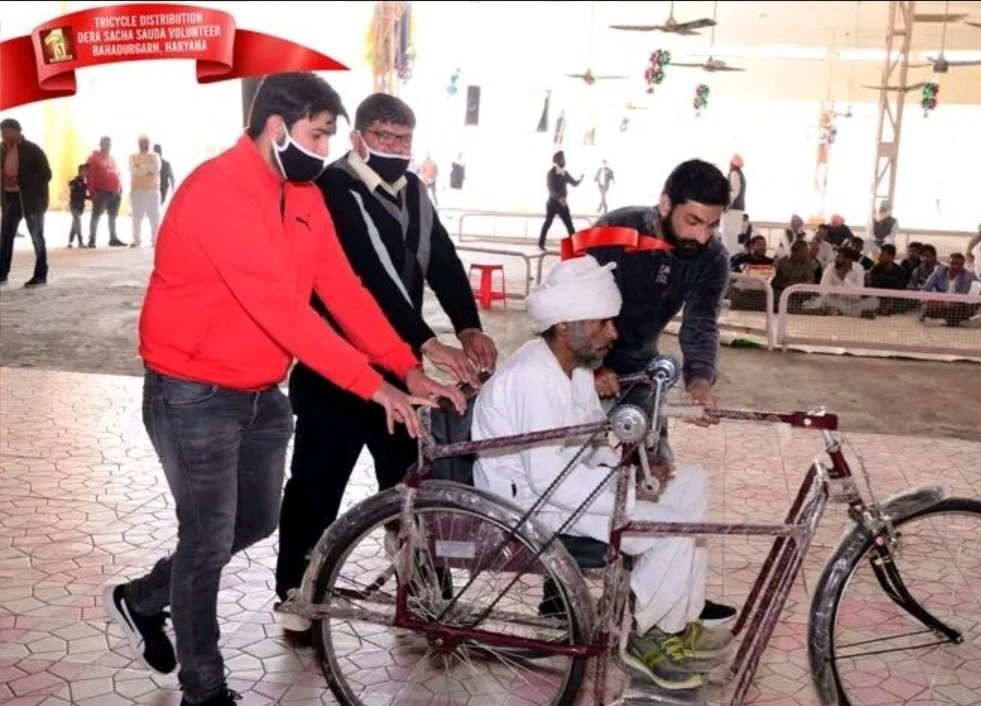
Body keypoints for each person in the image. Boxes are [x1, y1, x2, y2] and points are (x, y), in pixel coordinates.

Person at [101, 73, 462, 706]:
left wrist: (403, 366)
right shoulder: (219, 191)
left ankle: (142, 598)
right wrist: (371, 387)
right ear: (276, 127)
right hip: (191, 391)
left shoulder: (301, 193)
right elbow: (283, 310)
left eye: (328, 135)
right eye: (318, 134)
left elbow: (342, 289)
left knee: (257, 521)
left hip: (261, 392)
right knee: (208, 538)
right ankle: (204, 688)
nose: (325, 149)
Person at [274, 93, 499, 641]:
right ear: (358, 140)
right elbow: (369, 280)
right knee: (315, 487)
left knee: (411, 485)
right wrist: (425, 341)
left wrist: (467, 324)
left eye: (403, 140)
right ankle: (297, 593)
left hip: (398, 376)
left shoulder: (414, 191)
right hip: (334, 371)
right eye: (383, 138)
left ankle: (424, 595)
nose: (395, 150)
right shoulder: (330, 191)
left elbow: (440, 259)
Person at [472, 256, 732, 691]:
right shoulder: (534, 376)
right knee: (670, 525)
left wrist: (639, 473)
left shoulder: (571, 368)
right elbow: (547, 478)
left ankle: (677, 621)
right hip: (526, 505)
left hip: (561, 488)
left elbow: (592, 447)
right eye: (602, 323)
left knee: (691, 483)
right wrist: (629, 491)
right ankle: (648, 639)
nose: (613, 333)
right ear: (563, 325)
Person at [587, 160, 731, 433]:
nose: (702, 237)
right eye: (693, 221)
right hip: (579, 362)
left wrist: (699, 382)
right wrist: (588, 369)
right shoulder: (613, 230)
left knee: (655, 465)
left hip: (640, 369)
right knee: (574, 461)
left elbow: (701, 323)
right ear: (666, 205)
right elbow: (571, 311)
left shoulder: (713, 259)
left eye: (712, 225)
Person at [0, 118, 52, 287]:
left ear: (18, 131)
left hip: (31, 199)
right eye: (2, 132)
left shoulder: (32, 150)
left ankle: (40, 274)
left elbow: (46, 174)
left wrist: (21, 178)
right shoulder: (2, 150)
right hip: (11, 198)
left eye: (7, 131)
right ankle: (2, 273)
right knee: (6, 236)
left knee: (37, 236)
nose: (4, 135)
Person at [537, 150, 583, 250]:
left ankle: (576, 246)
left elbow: (573, 183)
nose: (564, 161)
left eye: (564, 159)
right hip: (552, 203)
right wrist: (559, 198)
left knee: (569, 225)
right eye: (562, 159)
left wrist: (580, 179)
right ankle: (541, 243)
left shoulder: (564, 173)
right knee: (548, 223)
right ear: (557, 161)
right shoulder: (551, 173)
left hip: (562, 203)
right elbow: (550, 189)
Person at [87, 136, 125, 247]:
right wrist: (92, 191)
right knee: (96, 216)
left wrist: (120, 188)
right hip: (101, 192)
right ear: (101, 144)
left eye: (109, 144)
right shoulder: (94, 158)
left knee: (112, 216)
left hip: (115, 192)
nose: (108, 146)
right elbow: (91, 175)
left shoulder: (112, 159)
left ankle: (113, 238)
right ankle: (92, 239)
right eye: (106, 143)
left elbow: (117, 173)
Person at [129, 134, 162, 247]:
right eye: (142, 142)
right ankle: (136, 240)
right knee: (136, 216)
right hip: (137, 190)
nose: (144, 145)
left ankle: (155, 240)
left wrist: (141, 167)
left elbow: (156, 168)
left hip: (152, 190)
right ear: (138, 144)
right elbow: (134, 171)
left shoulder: (155, 156)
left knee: (154, 216)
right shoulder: (132, 157)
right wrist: (148, 170)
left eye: (146, 142)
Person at [721, 153, 746, 255]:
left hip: (732, 210)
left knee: (728, 237)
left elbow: (734, 191)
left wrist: (726, 205)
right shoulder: (740, 174)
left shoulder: (734, 174)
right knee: (731, 238)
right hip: (736, 211)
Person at [68, 163, 89, 248]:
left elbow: (83, 195)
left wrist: (91, 197)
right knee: (78, 222)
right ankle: (80, 242)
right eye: (84, 171)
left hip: (81, 206)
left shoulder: (84, 184)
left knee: (75, 224)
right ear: (80, 172)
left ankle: (70, 241)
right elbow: (71, 185)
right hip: (74, 205)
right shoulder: (75, 181)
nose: (86, 173)